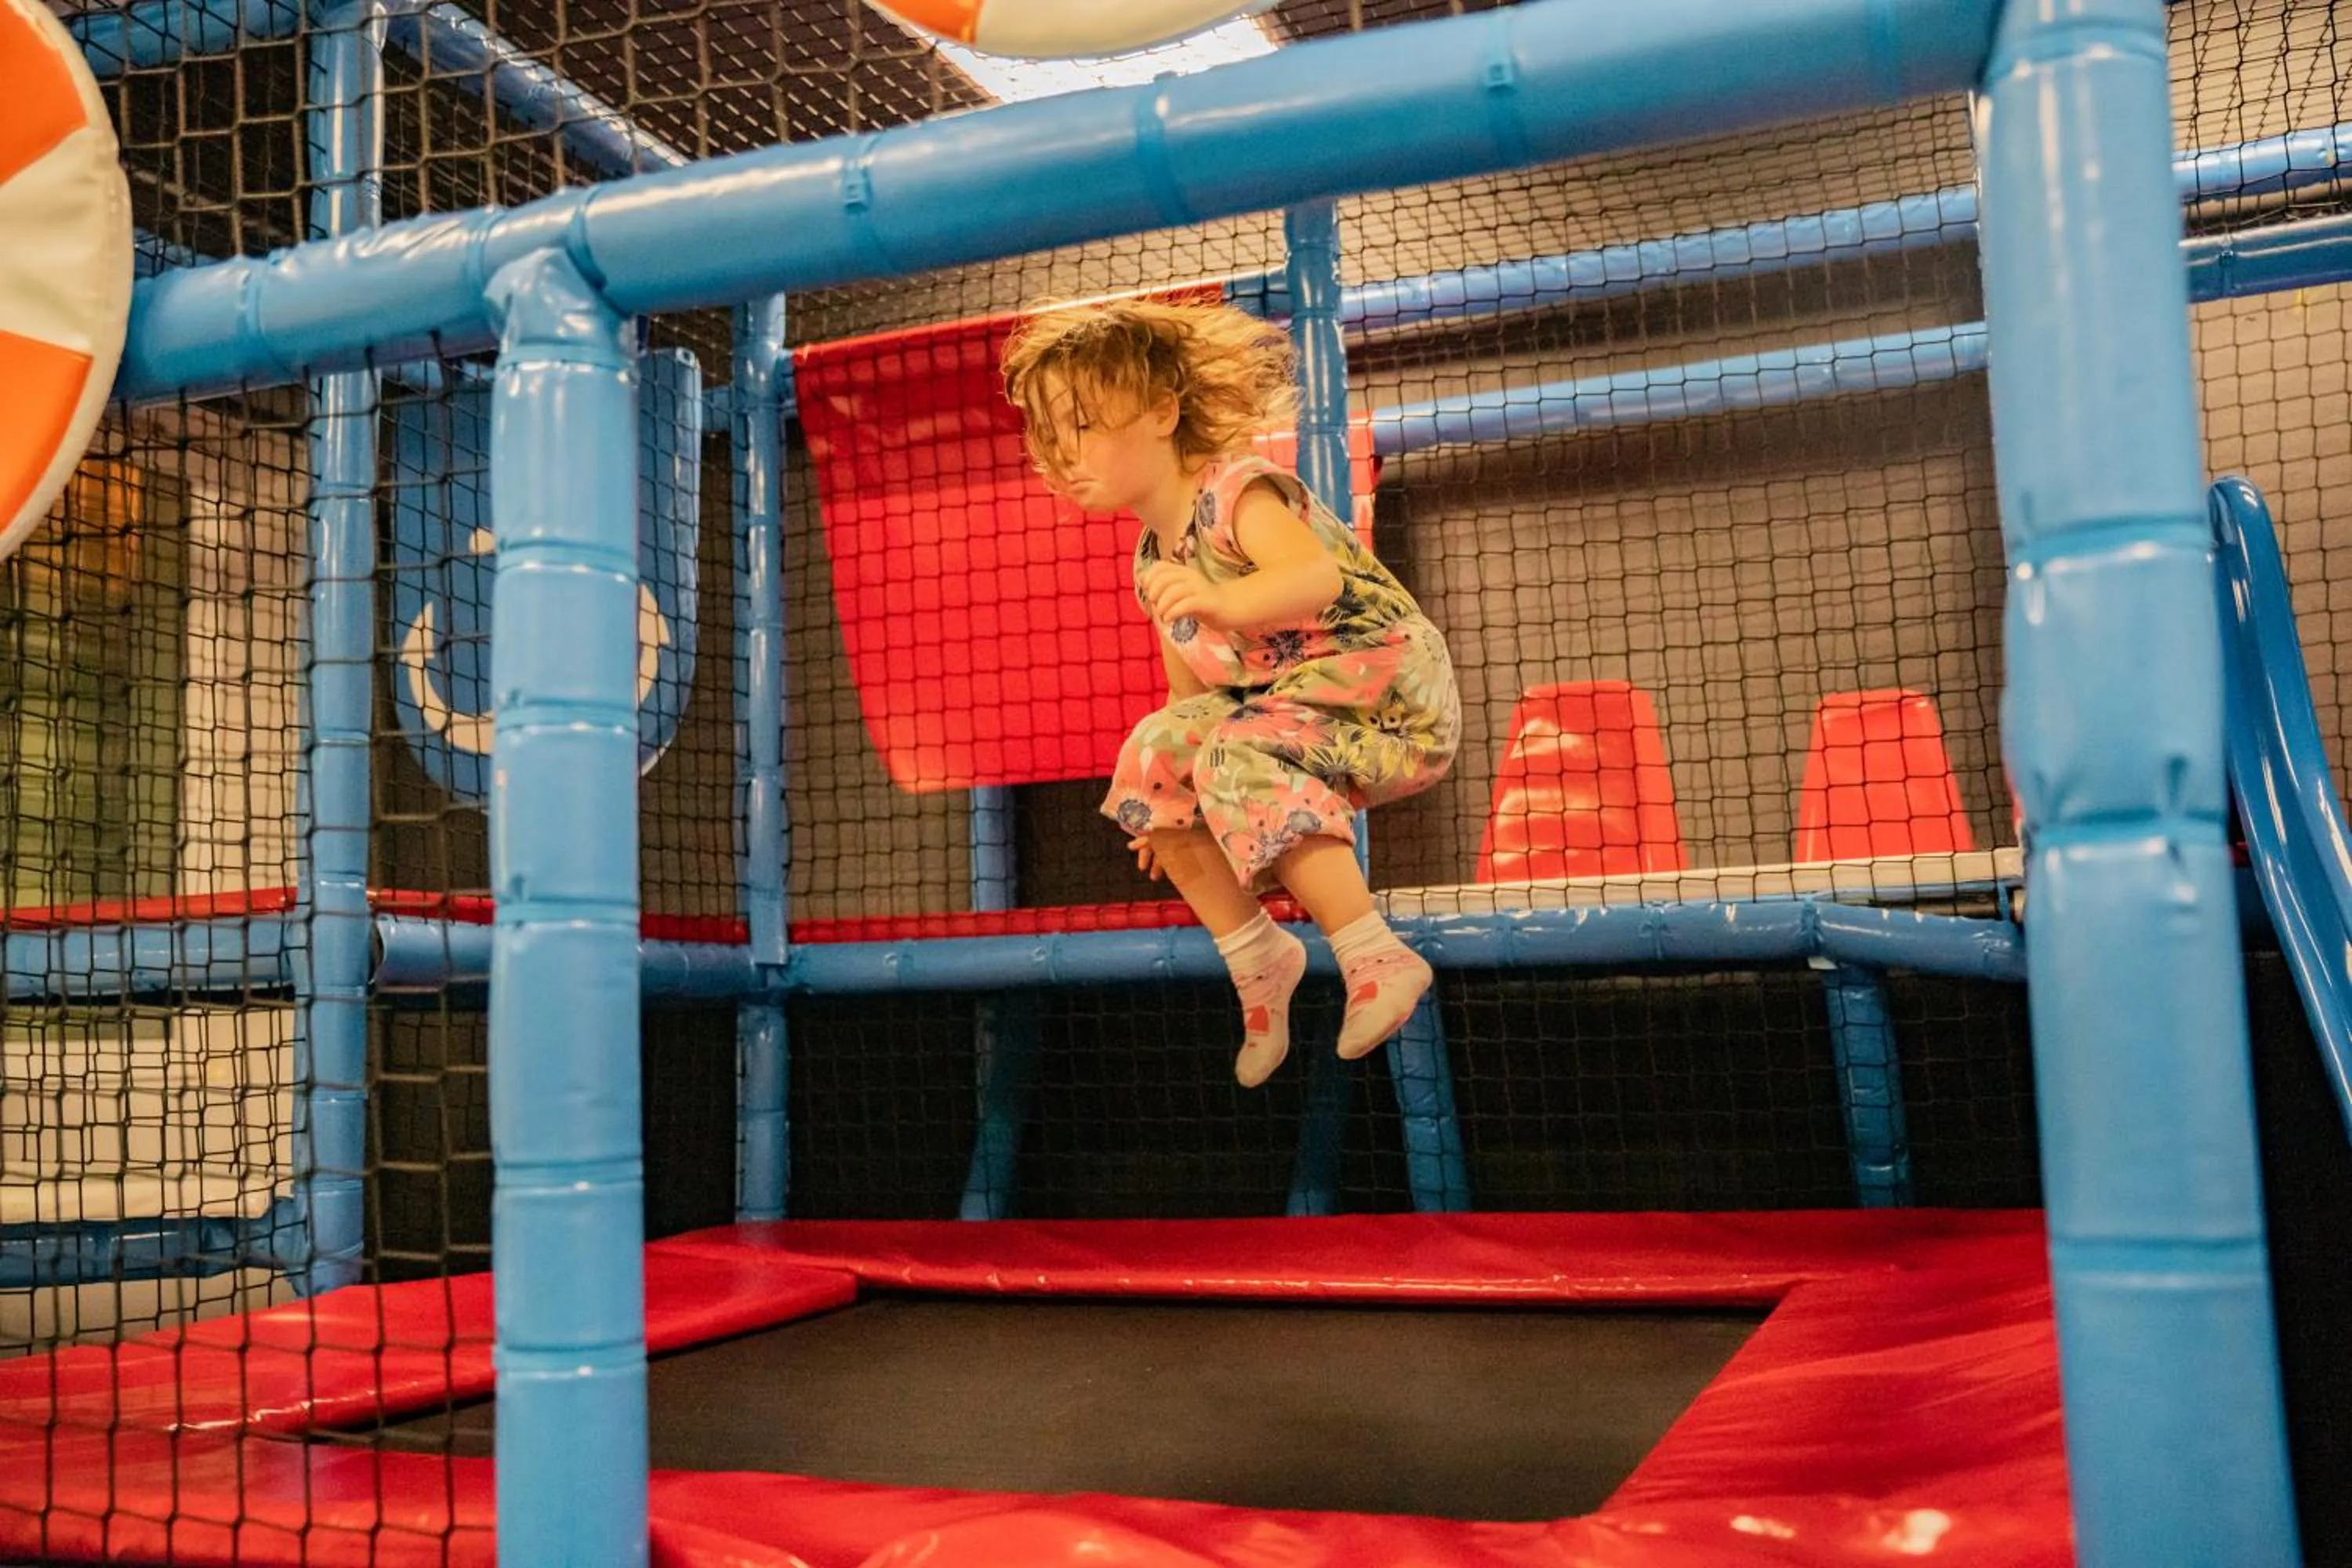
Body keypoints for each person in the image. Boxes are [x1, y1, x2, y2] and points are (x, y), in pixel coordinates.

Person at [1002, 298, 1461, 1087]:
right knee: (1153, 751)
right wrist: (1166, 799)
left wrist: (1226, 602)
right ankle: (1259, 961)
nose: (1061, 453)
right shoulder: (1153, 561)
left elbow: (1312, 578)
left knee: (1233, 748)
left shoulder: (1238, 489)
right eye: (1047, 435)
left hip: (1385, 692)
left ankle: (1375, 954)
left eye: (1081, 423)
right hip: (1296, 708)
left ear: (1161, 412)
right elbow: (1193, 703)